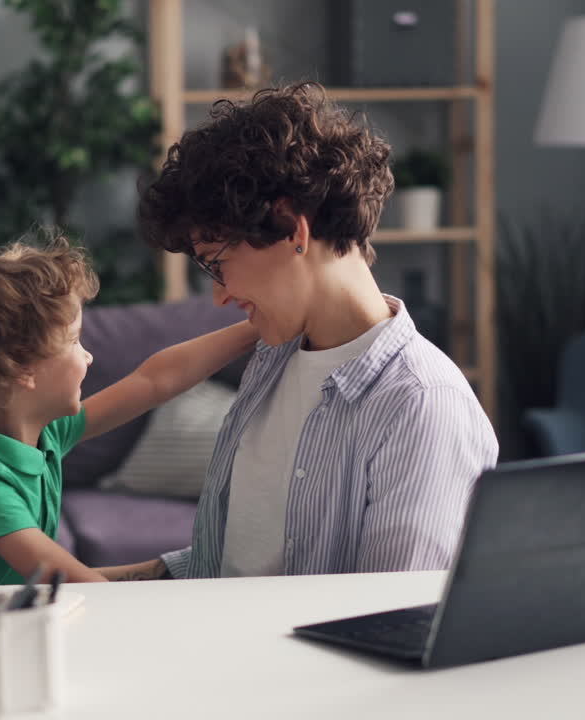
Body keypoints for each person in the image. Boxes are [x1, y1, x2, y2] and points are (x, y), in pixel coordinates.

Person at [118, 82, 498, 580]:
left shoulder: (421, 405)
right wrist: (103, 585)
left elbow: (389, 617)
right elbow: (245, 559)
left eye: (218, 264)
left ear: (292, 229)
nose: (220, 295)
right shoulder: (276, 358)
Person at [0, 234, 258, 588]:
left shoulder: (46, 434)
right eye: (74, 340)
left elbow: (154, 381)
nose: (88, 356)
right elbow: (70, 581)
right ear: (20, 365)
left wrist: (255, 328)